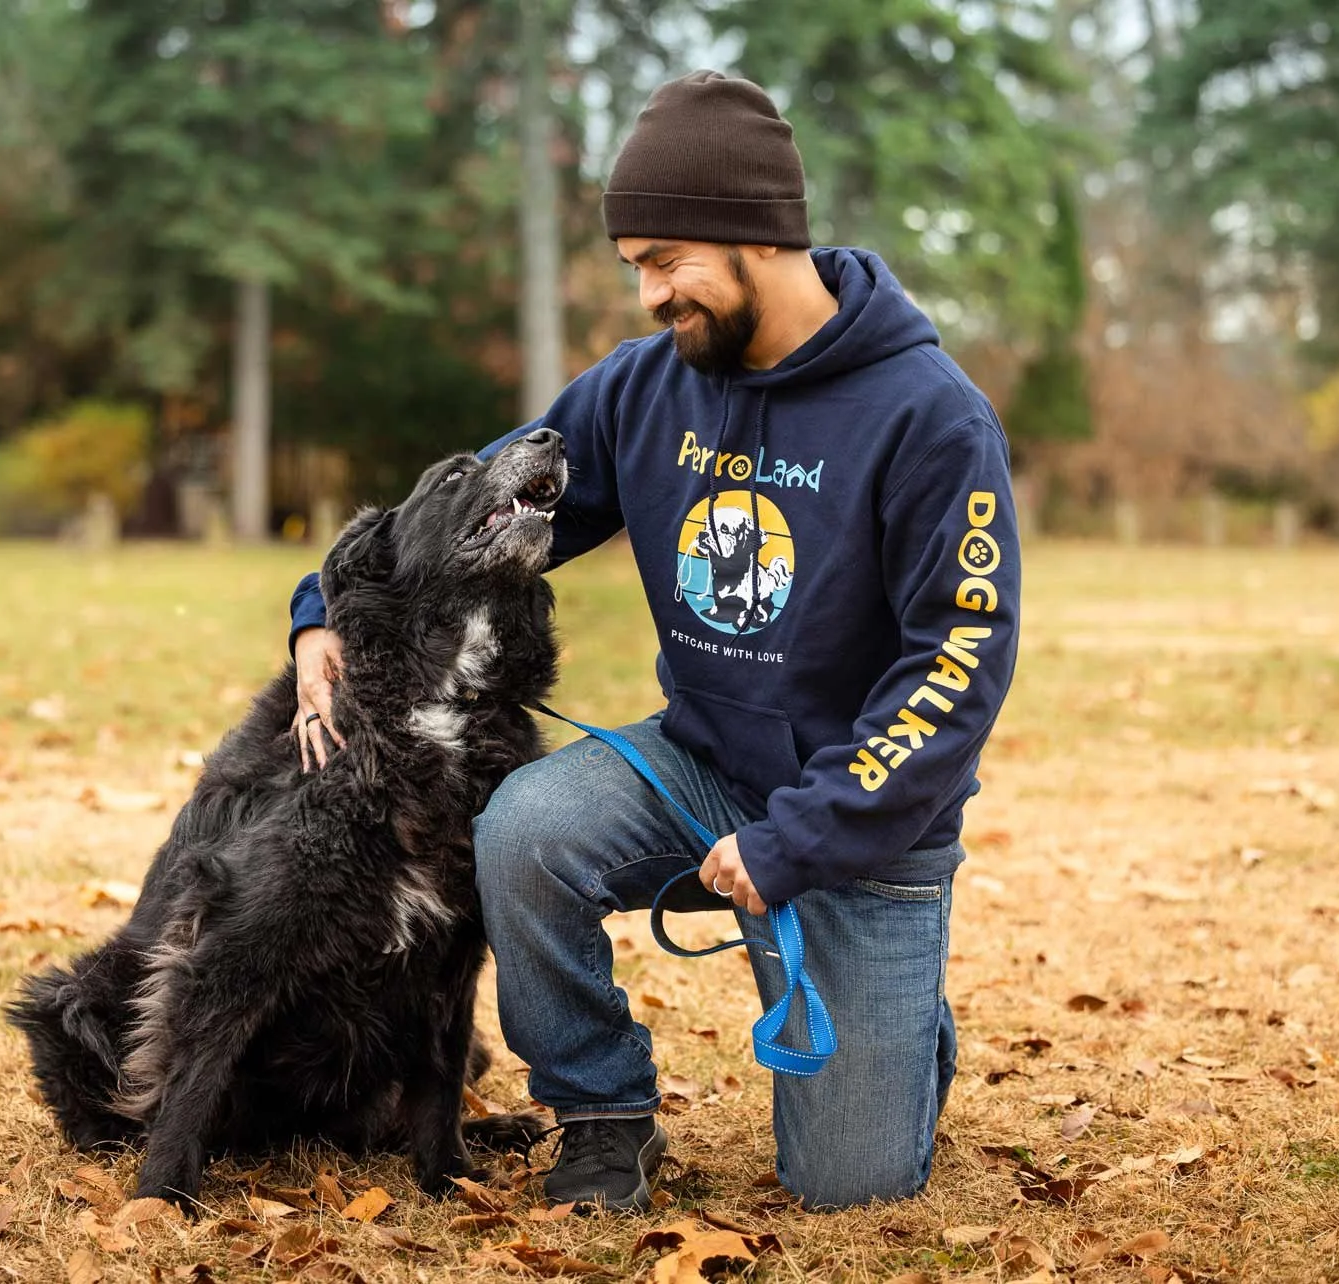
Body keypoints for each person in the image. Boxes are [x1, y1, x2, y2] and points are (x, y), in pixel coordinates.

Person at [286, 70, 1019, 1212]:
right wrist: (318, 609)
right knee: (521, 824)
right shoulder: (644, 389)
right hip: (698, 769)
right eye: (634, 263)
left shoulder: (928, 417)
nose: (645, 294)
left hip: (863, 823)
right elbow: (466, 509)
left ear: (756, 237)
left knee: (847, 1186)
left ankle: (898, 1027)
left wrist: (798, 841)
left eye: (665, 259)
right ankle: (600, 1111)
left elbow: (955, 668)